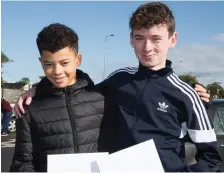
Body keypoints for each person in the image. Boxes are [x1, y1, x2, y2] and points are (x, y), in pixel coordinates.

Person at [13, 2, 216, 172]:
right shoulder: (119, 79)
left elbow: (212, 159)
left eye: (156, 38)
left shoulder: (187, 95)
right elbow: (75, 91)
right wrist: (38, 89)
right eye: (139, 38)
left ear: (172, 40)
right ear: (131, 39)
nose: (147, 47)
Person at [10, 23, 105, 172]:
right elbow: (21, 163)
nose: (57, 71)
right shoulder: (29, 108)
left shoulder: (102, 98)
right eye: (49, 64)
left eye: (64, 63)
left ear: (78, 59)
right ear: (41, 62)